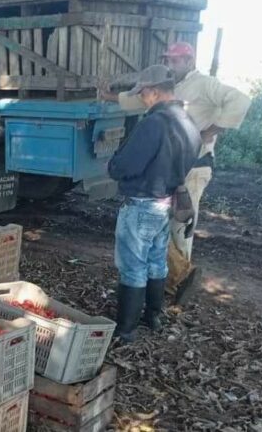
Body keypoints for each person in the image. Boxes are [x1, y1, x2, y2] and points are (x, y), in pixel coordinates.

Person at [100, 42, 251, 306]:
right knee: (160, 233)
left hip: (193, 165)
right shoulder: (171, 92)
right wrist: (110, 97)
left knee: (179, 228)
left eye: (175, 61)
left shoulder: (205, 85)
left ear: (190, 60)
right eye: (168, 61)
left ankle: (177, 284)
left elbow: (241, 100)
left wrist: (210, 132)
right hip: (174, 167)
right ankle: (159, 296)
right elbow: (140, 99)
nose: (171, 66)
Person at [108, 65, 201, 343]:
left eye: (143, 94)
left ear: (153, 91)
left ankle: (125, 330)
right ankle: (153, 316)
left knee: (133, 266)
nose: (143, 99)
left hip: (142, 203)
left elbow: (125, 165)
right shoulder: (188, 121)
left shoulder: (153, 123)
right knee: (156, 263)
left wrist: (114, 165)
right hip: (165, 203)